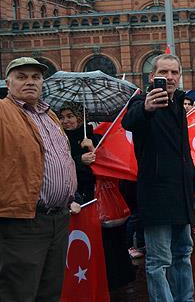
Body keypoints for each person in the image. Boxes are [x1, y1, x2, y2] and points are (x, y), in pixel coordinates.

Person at [122, 54, 195, 302]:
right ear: (153, 77)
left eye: (174, 72)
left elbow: (183, 153)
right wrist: (147, 108)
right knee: (158, 261)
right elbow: (129, 121)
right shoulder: (141, 102)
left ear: (179, 76)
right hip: (156, 195)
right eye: (164, 72)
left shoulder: (180, 103)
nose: (169, 77)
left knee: (183, 254)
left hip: (181, 194)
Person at [0, 57, 78, 301]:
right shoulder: (3, 112)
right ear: (8, 83)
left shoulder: (50, 115)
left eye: (36, 77)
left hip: (58, 219)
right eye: (21, 77)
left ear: (43, 82)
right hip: (23, 221)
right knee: (19, 292)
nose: (30, 82)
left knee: (50, 292)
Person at [58, 102, 137, 292]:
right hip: (77, 199)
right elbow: (58, 166)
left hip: (100, 197)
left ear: (80, 117)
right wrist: (79, 160)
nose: (65, 121)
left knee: (109, 240)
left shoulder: (96, 137)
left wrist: (93, 148)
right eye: (62, 117)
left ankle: (116, 280)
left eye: (70, 116)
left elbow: (110, 165)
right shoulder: (60, 140)